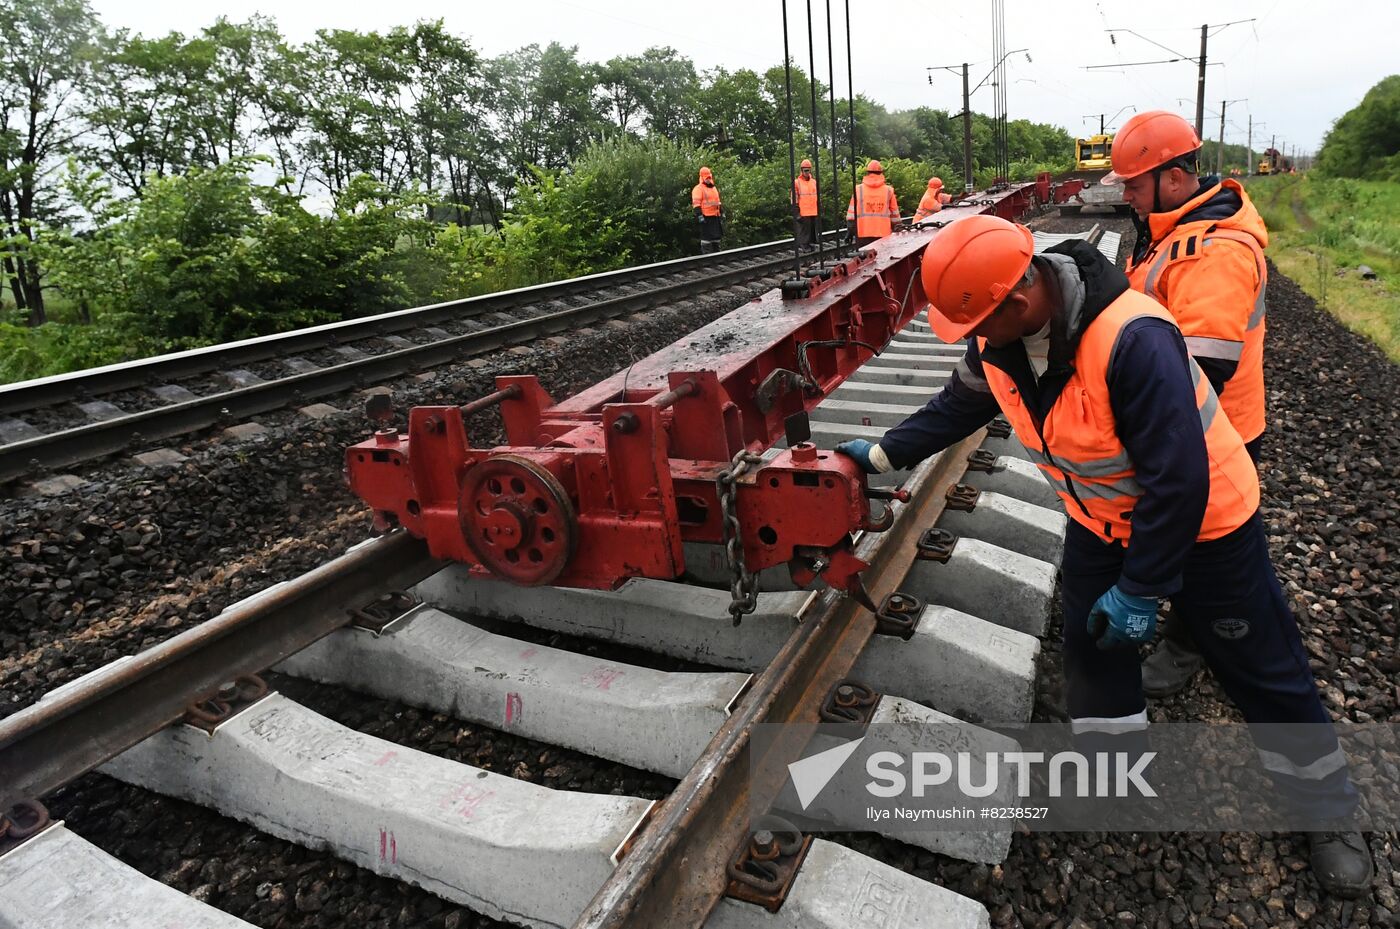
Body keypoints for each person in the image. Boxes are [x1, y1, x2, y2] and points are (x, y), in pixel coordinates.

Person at [835, 215, 1373, 899]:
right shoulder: (999, 341)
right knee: (1093, 649)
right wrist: (880, 455)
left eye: (973, 322)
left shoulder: (1132, 338)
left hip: (1208, 523)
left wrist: (1145, 589)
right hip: (1101, 519)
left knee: (1261, 664)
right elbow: (955, 407)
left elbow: (1179, 479)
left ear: (1021, 300)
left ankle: (1327, 809)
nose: (968, 339)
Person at [1106, 110, 1271, 697]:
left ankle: (1193, 643)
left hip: (1216, 426)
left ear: (1173, 179)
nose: (1125, 194)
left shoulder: (1213, 251)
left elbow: (1204, 370)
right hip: (1195, 417)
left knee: (1205, 543)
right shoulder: (1174, 230)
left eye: (1132, 183)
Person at [844, 160, 899, 247]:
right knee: (883, 259)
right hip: (883, 234)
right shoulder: (889, 190)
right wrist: (897, 228)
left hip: (863, 233)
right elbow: (895, 215)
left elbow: (851, 216)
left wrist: (850, 232)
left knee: (864, 259)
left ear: (867, 172)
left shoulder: (858, 190)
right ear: (881, 173)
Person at [692, 166, 724, 254]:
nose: (708, 179)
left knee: (716, 239)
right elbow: (696, 204)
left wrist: (721, 211)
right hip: (705, 217)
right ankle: (707, 257)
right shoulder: (698, 189)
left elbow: (717, 201)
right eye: (707, 178)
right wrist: (699, 216)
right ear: (702, 178)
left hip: (715, 216)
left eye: (710, 177)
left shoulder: (714, 188)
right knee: (706, 239)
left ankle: (717, 256)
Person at [793, 159, 819, 251]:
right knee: (804, 231)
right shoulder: (797, 182)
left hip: (813, 210)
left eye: (808, 170)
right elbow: (794, 197)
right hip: (803, 211)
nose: (807, 172)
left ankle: (809, 244)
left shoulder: (814, 182)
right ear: (801, 170)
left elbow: (816, 195)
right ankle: (804, 246)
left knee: (811, 230)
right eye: (805, 170)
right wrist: (796, 211)